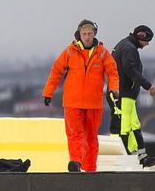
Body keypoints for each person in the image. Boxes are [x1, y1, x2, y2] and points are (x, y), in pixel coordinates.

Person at [43, 20, 119, 172]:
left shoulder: (103, 53)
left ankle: (90, 169)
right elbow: (56, 71)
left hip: (94, 103)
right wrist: (48, 92)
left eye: (90, 34)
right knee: (75, 134)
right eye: (84, 34)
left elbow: (112, 73)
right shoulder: (70, 51)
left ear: (95, 34)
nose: (87, 37)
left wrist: (114, 89)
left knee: (91, 137)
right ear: (79, 34)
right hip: (73, 102)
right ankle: (76, 162)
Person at [106, 25, 155, 168]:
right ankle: (124, 159)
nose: (147, 44)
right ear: (141, 37)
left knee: (133, 125)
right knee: (124, 128)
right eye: (147, 40)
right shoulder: (129, 48)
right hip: (123, 95)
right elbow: (130, 70)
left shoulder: (124, 45)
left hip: (124, 95)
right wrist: (148, 85)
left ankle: (140, 156)